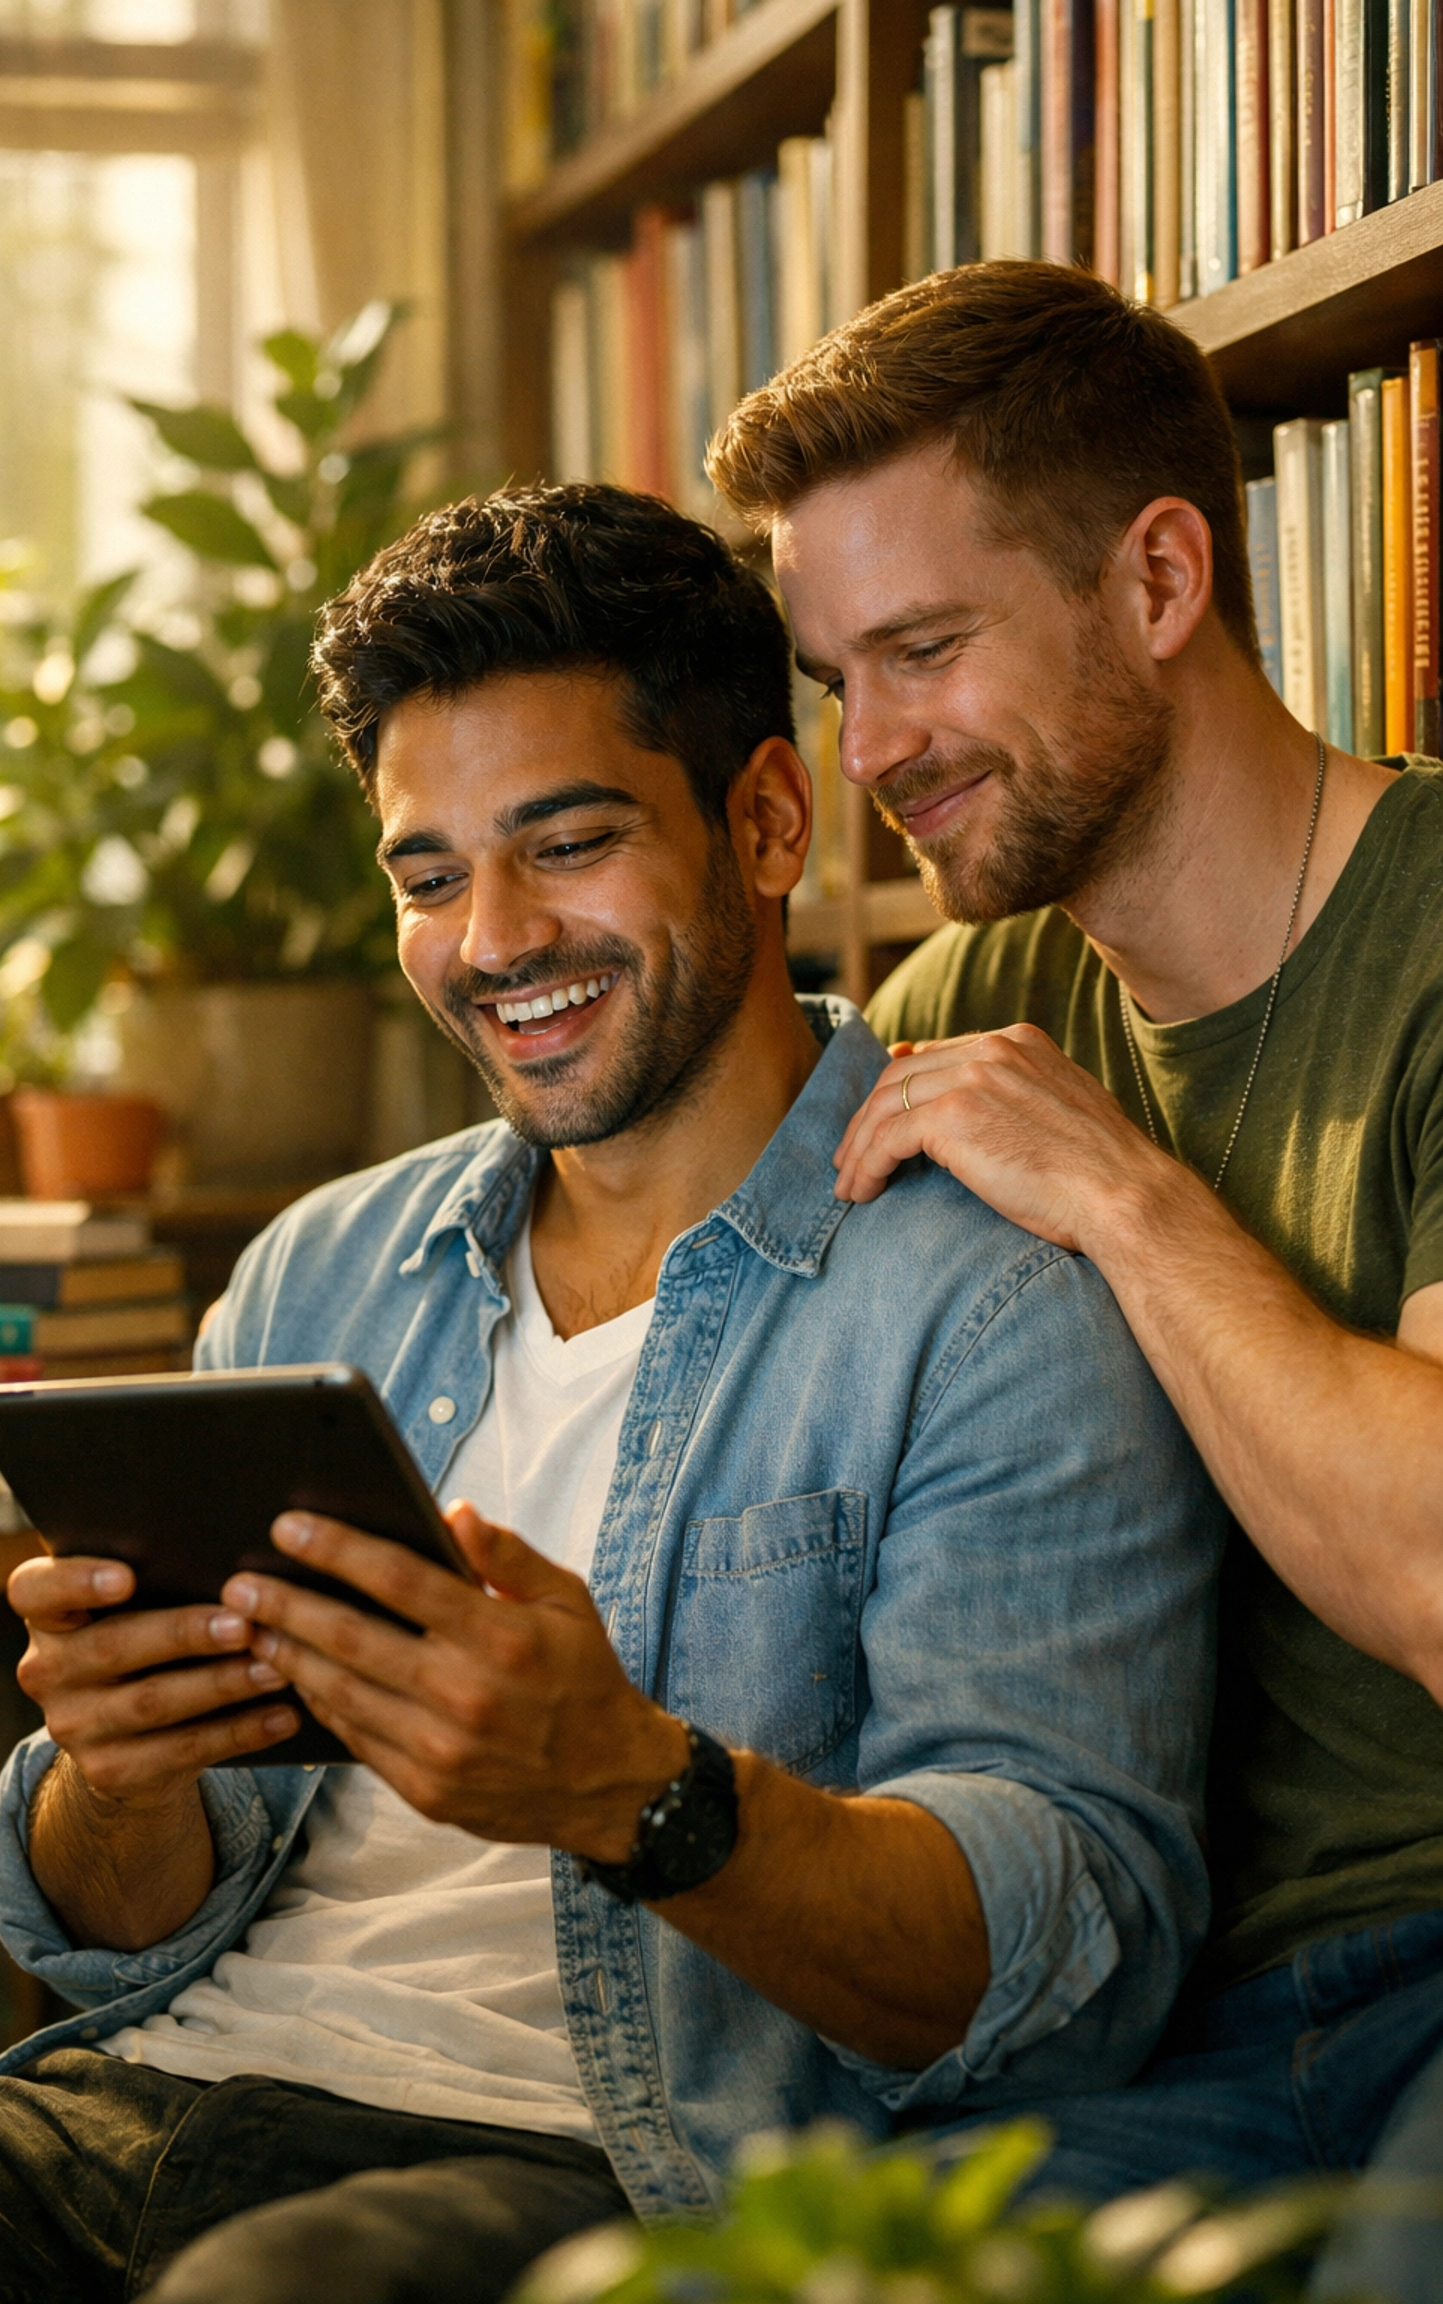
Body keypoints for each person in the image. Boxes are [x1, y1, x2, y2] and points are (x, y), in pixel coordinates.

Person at [0, 486, 1219, 2304]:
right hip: (138, 2108)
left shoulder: (991, 1301)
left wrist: (628, 1787)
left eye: (567, 843)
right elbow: (118, 1925)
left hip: (602, 2167)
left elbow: (1069, 1959)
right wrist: (123, 1775)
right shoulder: (318, 1272)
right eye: (429, 875)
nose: (495, 939)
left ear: (765, 819)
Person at [706, 259, 1443, 2288]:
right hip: (1149, 2008)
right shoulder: (973, 994)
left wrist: (1125, 1196)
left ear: (1159, 578)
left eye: (924, 650)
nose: (870, 748)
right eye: (835, 678)